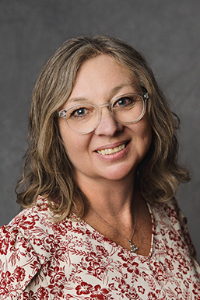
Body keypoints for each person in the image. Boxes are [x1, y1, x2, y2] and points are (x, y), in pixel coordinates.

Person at [0, 35, 199, 300]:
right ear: (54, 132)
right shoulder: (23, 247)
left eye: (124, 101)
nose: (109, 127)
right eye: (80, 112)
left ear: (150, 106)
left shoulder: (165, 212)